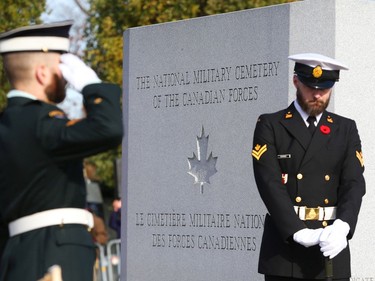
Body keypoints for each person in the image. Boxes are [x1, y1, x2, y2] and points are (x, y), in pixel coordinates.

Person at [0, 20, 123, 281]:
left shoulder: (7, 125)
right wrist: (93, 87)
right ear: (42, 74)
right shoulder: (42, 122)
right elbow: (108, 129)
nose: (66, 80)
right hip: (54, 252)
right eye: (61, 69)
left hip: (18, 255)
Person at [251, 53, 365, 281]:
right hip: (286, 250)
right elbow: (269, 183)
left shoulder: (345, 128)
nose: (317, 94)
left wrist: (344, 225)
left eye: (324, 88)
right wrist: (298, 231)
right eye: (310, 86)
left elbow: (353, 183)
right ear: (296, 82)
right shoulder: (271, 125)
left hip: (331, 243)